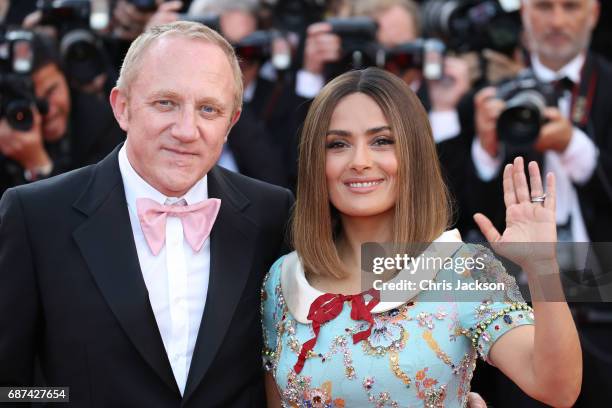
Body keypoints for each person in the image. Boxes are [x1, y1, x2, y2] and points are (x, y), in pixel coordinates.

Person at [0, 21, 293, 407]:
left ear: (231, 122)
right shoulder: (35, 215)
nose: (186, 130)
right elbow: (10, 388)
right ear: (122, 107)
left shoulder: (272, 214)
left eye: (208, 109)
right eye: (165, 103)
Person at [261, 67, 582, 407]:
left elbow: (556, 387)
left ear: (414, 153)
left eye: (381, 141)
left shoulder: (461, 270)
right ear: (315, 160)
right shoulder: (283, 280)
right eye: (338, 144)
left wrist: (543, 266)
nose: (360, 161)